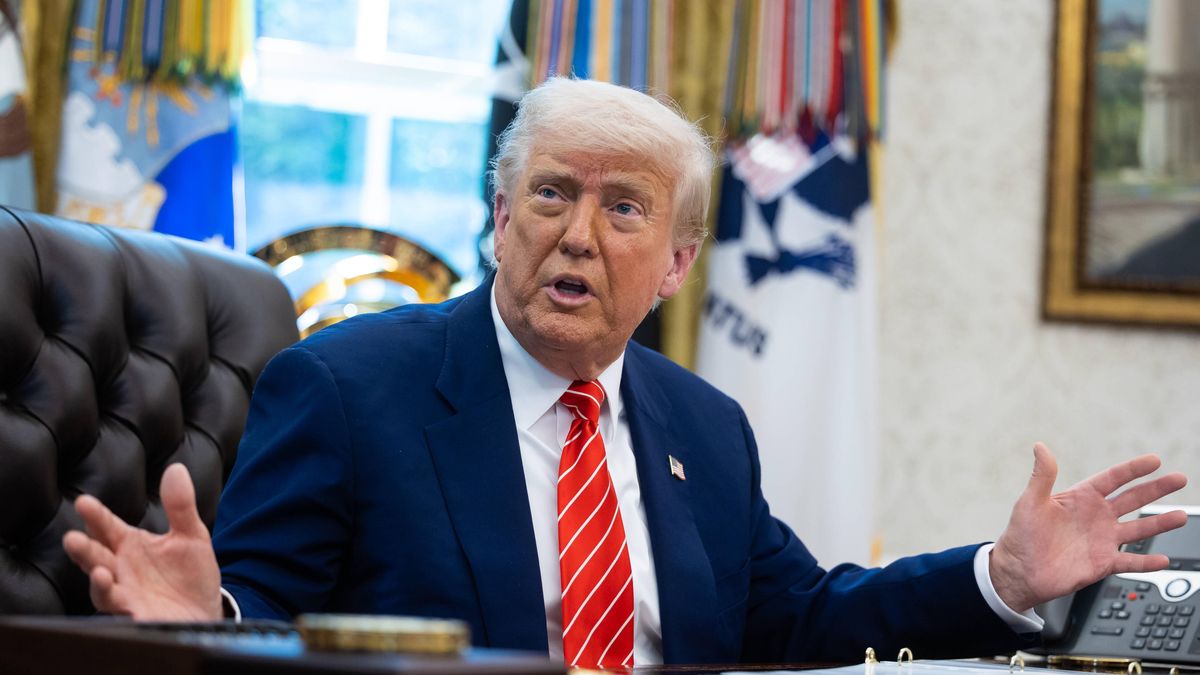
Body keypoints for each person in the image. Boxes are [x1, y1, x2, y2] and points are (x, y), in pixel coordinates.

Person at [63, 78, 1188, 668]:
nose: (579, 235)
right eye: (551, 194)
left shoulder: (704, 423)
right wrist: (200, 617)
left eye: (624, 208)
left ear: (678, 266)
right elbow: (263, 613)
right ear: (500, 218)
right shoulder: (349, 387)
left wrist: (1001, 575)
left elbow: (800, 622)